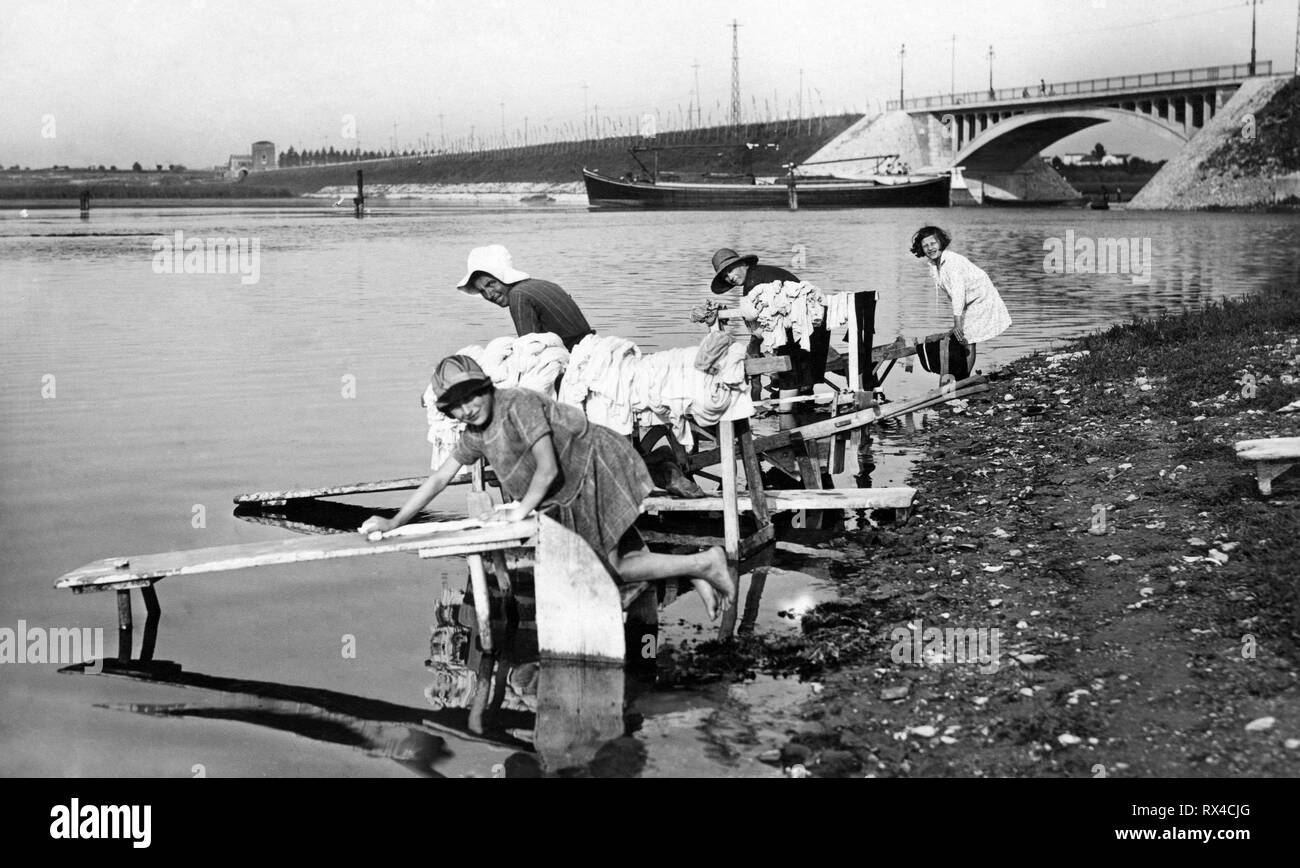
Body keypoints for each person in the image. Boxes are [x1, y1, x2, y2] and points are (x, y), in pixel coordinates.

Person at [360, 355, 735, 619]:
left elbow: (548, 465)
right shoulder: (476, 433)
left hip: (594, 469)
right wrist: (395, 523)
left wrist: (520, 511)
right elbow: (440, 478)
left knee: (609, 568)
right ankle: (695, 570)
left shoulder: (517, 404)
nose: (467, 409)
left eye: (471, 396)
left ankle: (703, 563)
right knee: (617, 561)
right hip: (565, 491)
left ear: (486, 387)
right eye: (455, 406)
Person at [708, 247, 830, 397]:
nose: (730, 277)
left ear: (744, 264)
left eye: (731, 270)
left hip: (802, 326)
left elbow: (758, 328)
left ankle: (789, 413)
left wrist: (754, 346)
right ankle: (802, 412)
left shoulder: (753, 283)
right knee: (803, 384)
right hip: (814, 323)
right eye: (726, 276)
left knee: (790, 379)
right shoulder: (759, 274)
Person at [909, 226, 1011, 386]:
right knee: (963, 336)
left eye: (933, 243)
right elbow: (952, 294)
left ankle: (963, 381)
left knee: (968, 338)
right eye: (925, 246)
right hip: (968, 300)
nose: (930, 248)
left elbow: (958, 292)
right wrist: (959, 317)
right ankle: (960, 379)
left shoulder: (951, 262)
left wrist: (957, 322)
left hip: (981, 296)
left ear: (941, 243)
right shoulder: (934, 265)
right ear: (921, 249)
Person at [455, 244, 594, 352]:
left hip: (577, 355)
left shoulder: (518, 295)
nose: (489, 294)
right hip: (589, 346)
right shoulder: (544, 284)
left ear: (505, 277)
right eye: (482, 291)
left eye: (491, 284)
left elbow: (530, 350)